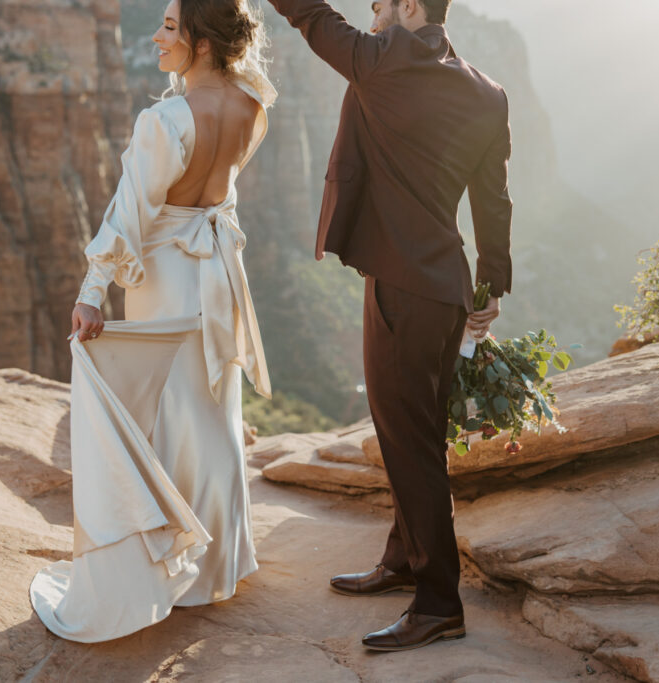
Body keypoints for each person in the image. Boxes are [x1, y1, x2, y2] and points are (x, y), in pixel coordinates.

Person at [265, 0, 512, 652]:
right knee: (413, 427)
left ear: (408, 8)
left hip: (403, 290)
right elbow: (493, 201)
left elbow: (311, 17)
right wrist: (490, 287)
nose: (369, 9)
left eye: (379, 1)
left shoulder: (383, 61)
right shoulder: (487, 91)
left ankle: (439, 603)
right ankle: (404, 557)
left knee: (410, 440)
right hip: (445, 288)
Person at [29, 0, 276, 643]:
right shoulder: (255, 107)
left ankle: (166, 567)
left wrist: (91, 292)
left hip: (167, 275)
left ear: (200, 44)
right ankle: (217, 563)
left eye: (170, 27)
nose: (158, 37)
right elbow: (221, 194)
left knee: (164, 412)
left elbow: (129, 213)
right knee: (213, 410)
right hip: (216, 273)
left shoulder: (164, 120)